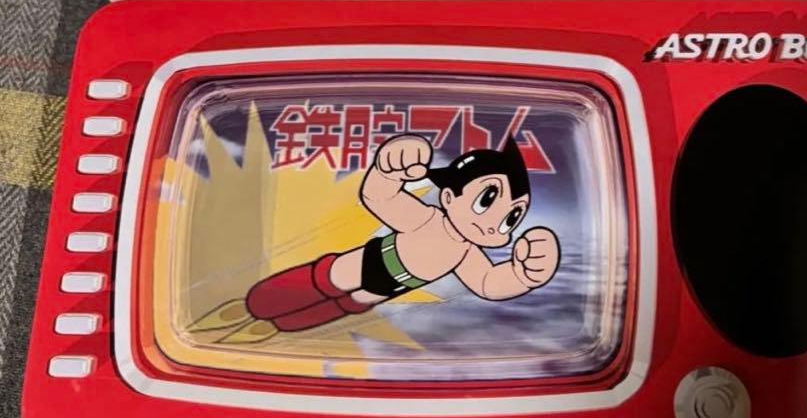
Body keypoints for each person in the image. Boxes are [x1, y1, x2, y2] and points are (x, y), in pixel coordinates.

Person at [191, 134, 560, 344]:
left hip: (388, 288)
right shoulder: (426, 217)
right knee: (325, 282)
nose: (496, 224)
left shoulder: (468, 255)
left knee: (347, 304)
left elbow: (488, 283)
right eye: (486, 200)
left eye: (512, 217)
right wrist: (388, 169)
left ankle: (278, 324)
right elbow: (379, 198)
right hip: (368, 262)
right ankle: (259, 303)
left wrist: (525, 275)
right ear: (449, 196)